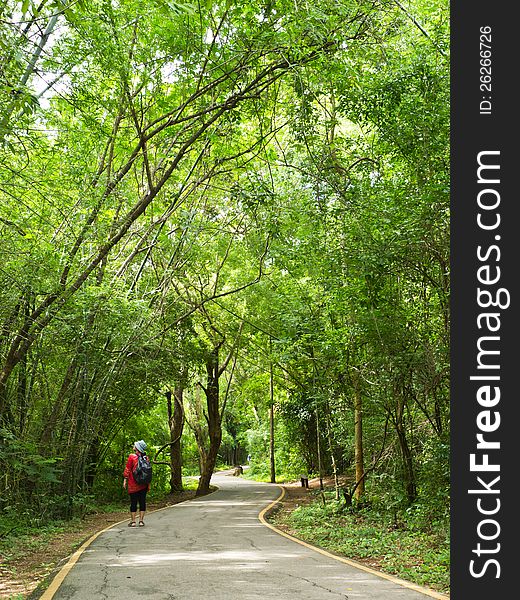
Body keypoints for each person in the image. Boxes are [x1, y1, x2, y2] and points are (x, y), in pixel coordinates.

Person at [123, 440, 150, 527]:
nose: (133, 446)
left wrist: (125, 480)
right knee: (142, 502)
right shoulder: (146, 458)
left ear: (137, 448)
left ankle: (133, 521)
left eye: (135, 445)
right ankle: (141, 521)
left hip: (133, 484)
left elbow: (127, 469)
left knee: (133, 503)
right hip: (144, 485)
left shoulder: (131, 457)